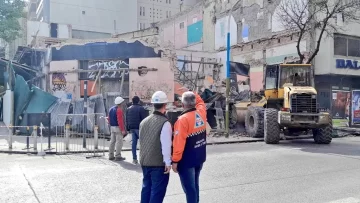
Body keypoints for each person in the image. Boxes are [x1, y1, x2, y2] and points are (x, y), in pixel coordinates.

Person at [172, 89, 207, 203]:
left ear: (182, 104)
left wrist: (175, 161)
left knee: (189, 188)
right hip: (199, 158)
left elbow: (179, 143)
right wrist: (191, 92)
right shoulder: (201, 112)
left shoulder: (182, 120)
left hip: (187, 161)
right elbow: (201, 102)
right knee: (195, 185)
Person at [139, 91, 172, 203]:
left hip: (145, 162)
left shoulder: (143, 122)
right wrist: (168, 162)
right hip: (158, 164)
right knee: (157, 193)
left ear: (153, 104)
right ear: (165, 105)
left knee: (146, 189)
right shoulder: (165, 123)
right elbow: (166, 145)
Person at [126, 96, 147, 164]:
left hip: (132, 128)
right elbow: (144, 119)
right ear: (138, 101)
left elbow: (127, 119)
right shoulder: (141, 108)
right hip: (139, 128)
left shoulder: (128, 109)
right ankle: (143, 159)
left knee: (134, 144)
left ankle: (134, 159)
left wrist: (127, 128)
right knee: (143, 144)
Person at [107, 96, 127, 161]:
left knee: (112, 142)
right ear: (120, 103)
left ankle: (111, 155)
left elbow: (109, 119)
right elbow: (120, 121)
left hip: (112, 127)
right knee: (119, 142)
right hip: (118, 128)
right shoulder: (119, 110)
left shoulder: (111, 109)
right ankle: (118, 155)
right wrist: (123, 130)